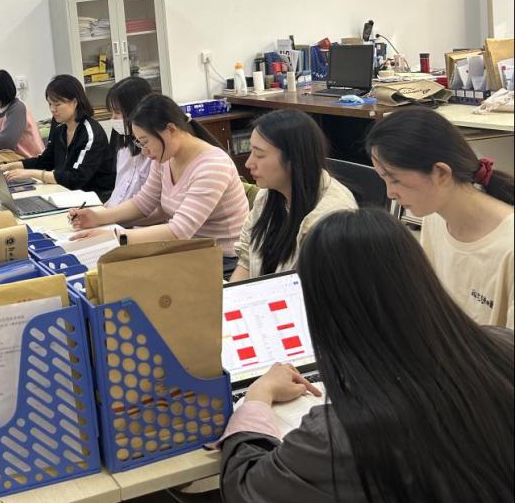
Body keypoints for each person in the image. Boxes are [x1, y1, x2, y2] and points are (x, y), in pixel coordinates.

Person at [220, 208, 514, 503]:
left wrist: (258, 397)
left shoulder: (342, 435)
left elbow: (246, 487)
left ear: (324, 310)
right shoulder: (503, 347)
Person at [366, 108, 514, 327]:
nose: (390, 193)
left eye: (395, 179)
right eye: (384, 179)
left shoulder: (508, 246)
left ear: (441, 173)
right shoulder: (436, 217)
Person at [70, 94, 248, 264]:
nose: (144, 150)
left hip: (222, 259)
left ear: (170, 130)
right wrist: (98, 217)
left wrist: (116, 236)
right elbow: (143, 203)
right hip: (189, 251)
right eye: (139, 143)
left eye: (145, 142)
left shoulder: (212, 165)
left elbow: (179, 231)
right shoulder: (166, 157)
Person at [230, 110, 356, 282]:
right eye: (251, 152)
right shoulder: (268, 195)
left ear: (293, 158)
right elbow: (246, 261)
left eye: (259, 155)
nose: (249, 163)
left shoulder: (332, 217)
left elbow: (320, 290)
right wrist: (233, 297)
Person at [0, 74, 116, 200]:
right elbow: (45, 161)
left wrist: (30, 173)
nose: (52, 109)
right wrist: (10, 166)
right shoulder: (60, 130)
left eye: (57, 104)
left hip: (93, 198)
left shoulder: (90, 133)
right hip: (67, 192)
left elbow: (76, 178)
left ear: (74, 102)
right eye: (50, 104)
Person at [104, 76, 154, 207]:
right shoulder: (124, 148)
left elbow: (150, 206)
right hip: (115, 214)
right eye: (111, 113)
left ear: (136, 110)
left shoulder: (156, 154)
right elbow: (118, 193)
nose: (113, 119)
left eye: (117, 112)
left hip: (133, 218)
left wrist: (109, 215)